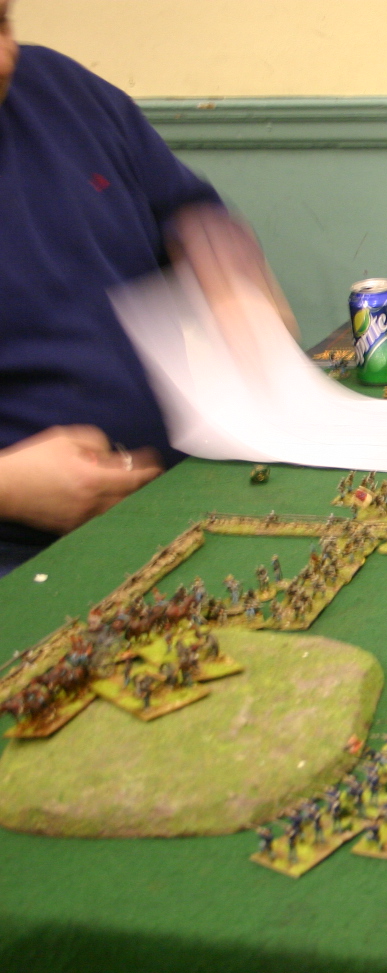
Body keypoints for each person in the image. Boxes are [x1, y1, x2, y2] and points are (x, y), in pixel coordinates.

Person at [0, 2, 294, 575]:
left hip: (176, 501)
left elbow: (186, 213)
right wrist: (8, 487)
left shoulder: (60, 88)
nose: (5, 58)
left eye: (3, 20)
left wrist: (230, 280)